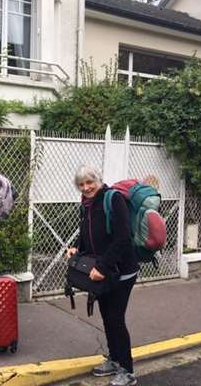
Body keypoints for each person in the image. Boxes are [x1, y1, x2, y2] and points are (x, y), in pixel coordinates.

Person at [67, 165, 139, 386]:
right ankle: (114, 359)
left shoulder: (113, 199)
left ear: (98, 180)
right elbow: (88, 234)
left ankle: (127, 371)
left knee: (115, 318)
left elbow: (123, 238)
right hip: (103, 271)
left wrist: (103, 267)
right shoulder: (87, 204)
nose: (86, 187)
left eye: (90, 182)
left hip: (121, 271)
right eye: (81, 184)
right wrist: (77, 248)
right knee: (107, 317)